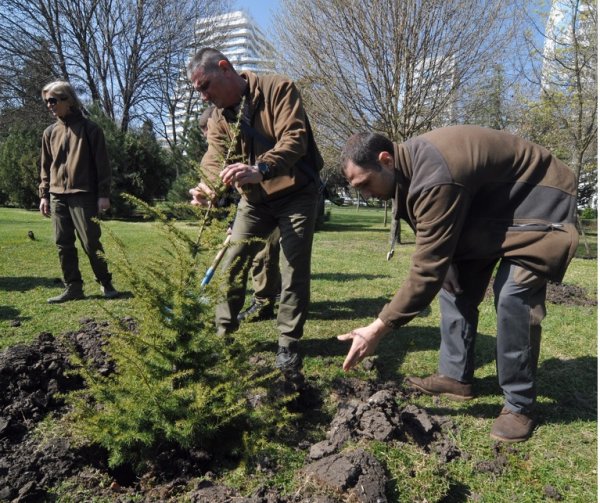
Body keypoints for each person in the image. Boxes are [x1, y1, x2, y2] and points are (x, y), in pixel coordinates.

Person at [337, 126, 578, 442]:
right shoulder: (408, 170)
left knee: (513, 296)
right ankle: (455, 377)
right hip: (491, 212)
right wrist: (447, 262)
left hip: (540, 204)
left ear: (386, 159)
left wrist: (378, 328)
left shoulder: (435, 174)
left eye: (365, 183)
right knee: (454, 283)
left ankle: (519, 405)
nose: (366, 194)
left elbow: (425, 272)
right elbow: (430, 234)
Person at [187, 48, 322, 376]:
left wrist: (261, 167)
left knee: (293, 267)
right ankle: (224, 335)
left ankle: (288, 342)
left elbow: (295, 139)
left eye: (206, 86)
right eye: (198, 91)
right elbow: (214, 159)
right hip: (255, 200)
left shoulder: (278, 89)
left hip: (296, 194)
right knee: (232, 262)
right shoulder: (219, 117)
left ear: (225, 68)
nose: (204, 97)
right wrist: (208, 188)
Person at [198, 104, 281, 322]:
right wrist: (230, 220)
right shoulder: (217, 151)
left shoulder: (242, 144)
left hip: (267, 199)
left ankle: (264, 303)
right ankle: (267, 296)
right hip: (245, 206)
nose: (210, 140)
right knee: (252, 255)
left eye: (210, 133)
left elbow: (242, 188)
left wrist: (236, 220)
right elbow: (223, 191)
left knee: (264, 253)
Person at [39, 80, 118, 303]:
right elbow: (45, 167)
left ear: (68, 100)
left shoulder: (91, 130)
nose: (49, 106)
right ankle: (73, 287)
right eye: (47, 102)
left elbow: (103, 165)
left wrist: (104, 194)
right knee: (62, 243)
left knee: (91, 242)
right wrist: (44, 195)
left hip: (84, 194)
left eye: (53, 100)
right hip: (57, 196)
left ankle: (105, 282)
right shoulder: (49, 133)